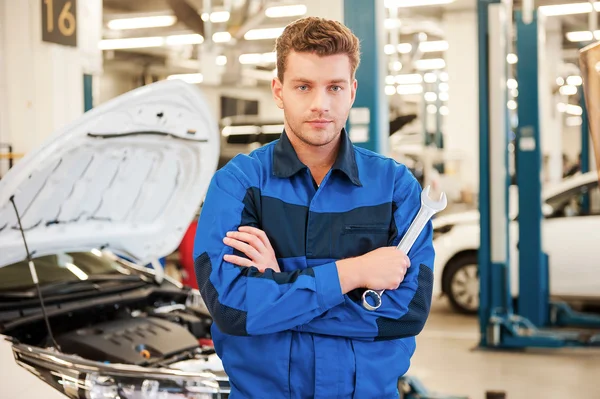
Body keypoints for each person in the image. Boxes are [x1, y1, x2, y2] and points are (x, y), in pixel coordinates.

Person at [193, 16, 435, 399]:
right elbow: (232, 308)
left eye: (334, 87)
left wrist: (277, 294)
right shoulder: (238, 184)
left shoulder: (396, 188)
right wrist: (354, 273)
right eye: (303, 86)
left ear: (352, 91)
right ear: (279, 90)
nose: (320, 104)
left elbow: (406, 313)